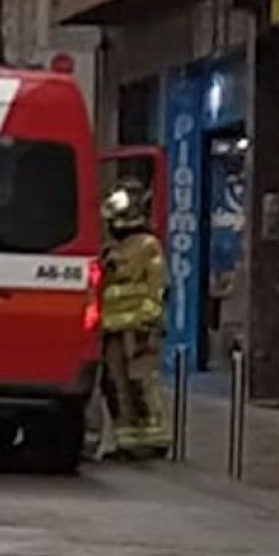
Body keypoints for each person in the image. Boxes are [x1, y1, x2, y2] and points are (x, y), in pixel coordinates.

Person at [99, 179, 170, 458]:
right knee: (115, 384)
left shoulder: (148, 245)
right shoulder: (110, 249)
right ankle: (125, 440)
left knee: (141, 382)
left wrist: (149, 321)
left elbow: (157, 286)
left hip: (138, 328)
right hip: (112, 328)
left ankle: (155, 439)